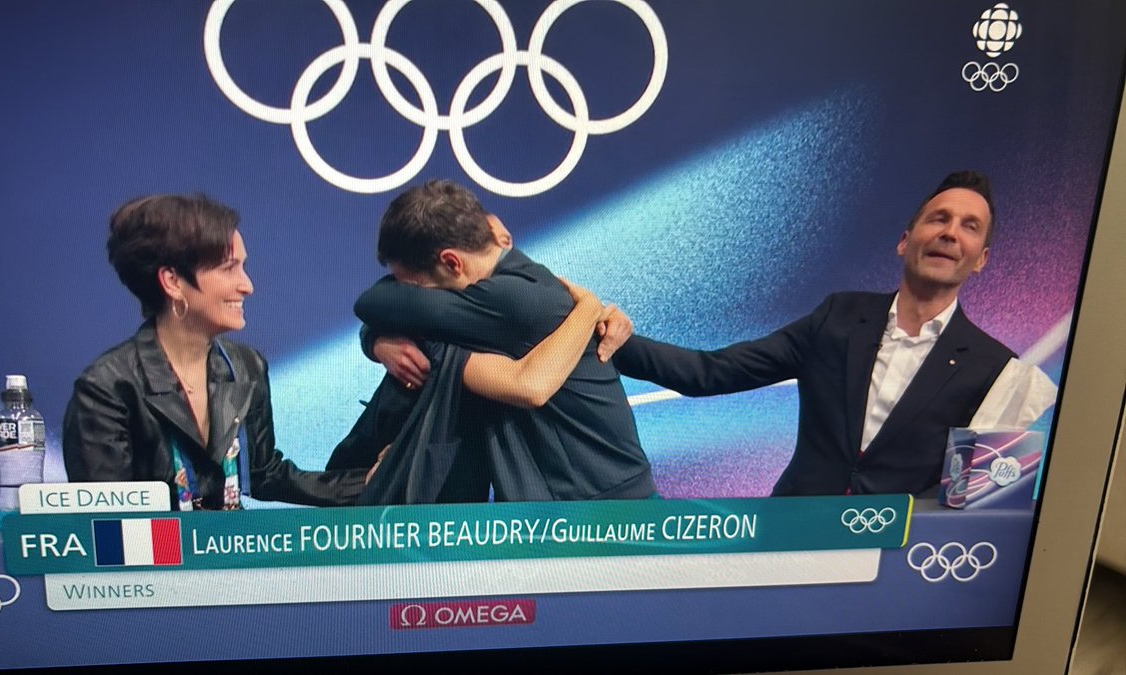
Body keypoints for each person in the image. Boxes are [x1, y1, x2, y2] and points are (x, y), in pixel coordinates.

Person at [64, 194, 611, 510]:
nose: (248, 285)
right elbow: (102, 530)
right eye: (230, 268)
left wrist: (376, 480)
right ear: (173, 282)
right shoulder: (108, 387)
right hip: (147, 596)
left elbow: (270, 475)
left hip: (223, 581)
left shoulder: (246, 367)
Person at [610, 170, 1055, 496]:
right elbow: (710, 373)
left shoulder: (997, 369)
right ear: (906, 240)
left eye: (969, 227)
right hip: (789, 539)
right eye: (938, 219)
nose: (950, 234)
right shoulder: (838, 316)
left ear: (981, 259)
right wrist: (612, 340)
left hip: (891, 569)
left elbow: (975, 506)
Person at [352, 180, 657, 501]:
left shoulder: (518, 302)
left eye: (412, 288)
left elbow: (531, 386)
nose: (413, 299)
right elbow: (375, 306)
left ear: (452, 262)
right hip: (567, 507)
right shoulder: (472, 313)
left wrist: (590, 307)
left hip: (611, 510)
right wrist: (377, 339)